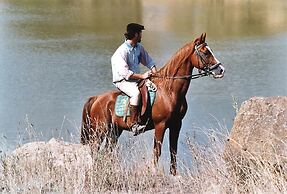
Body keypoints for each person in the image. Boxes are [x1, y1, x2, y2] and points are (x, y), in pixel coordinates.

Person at [111, 23, 157, 134]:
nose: (141, 36)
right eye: (140, 33)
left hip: (135, 79)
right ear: (136, 34)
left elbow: (149, 61)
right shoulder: (121, 51)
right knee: (136, 94)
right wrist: (142, 76)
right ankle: (134, 124)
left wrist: (156, 73)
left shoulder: (138, 48)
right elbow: (125, 73)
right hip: (122, 80)